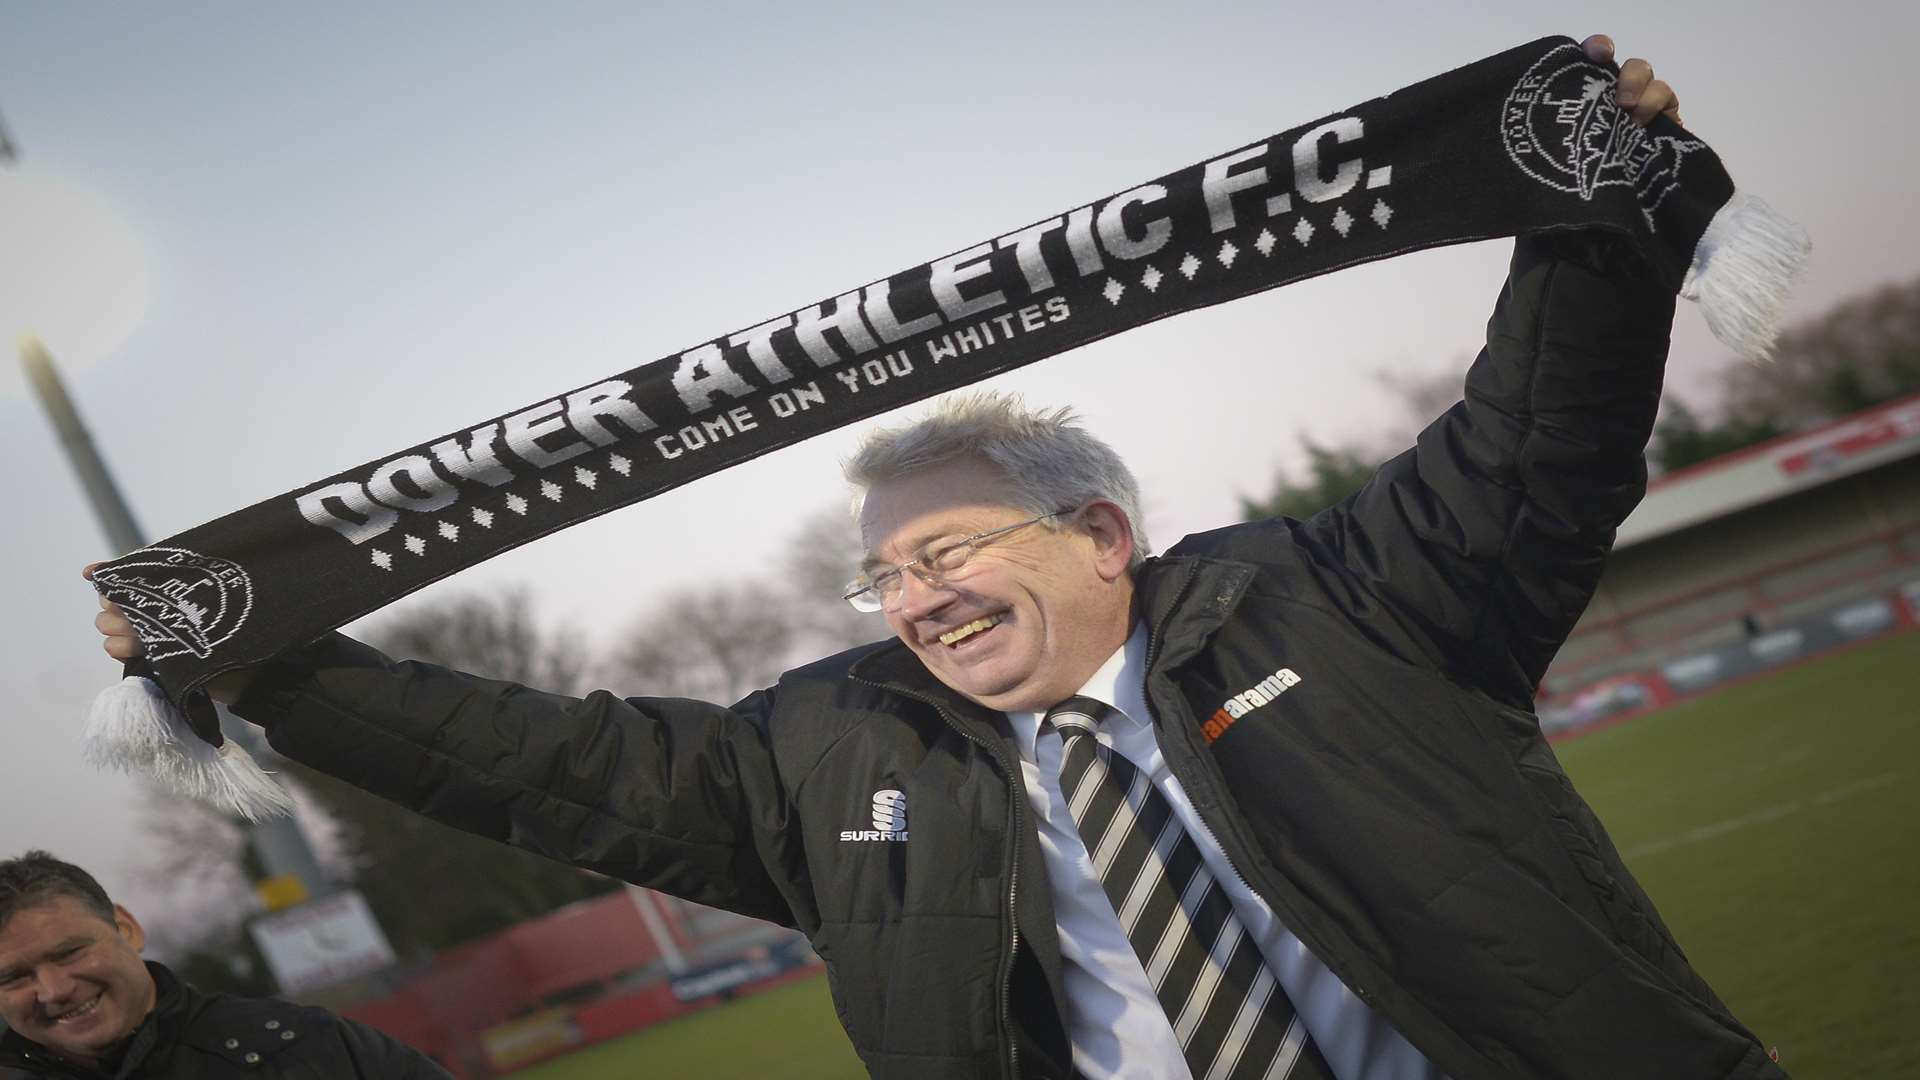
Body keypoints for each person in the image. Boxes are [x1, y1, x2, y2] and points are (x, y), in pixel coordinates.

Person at [90, 39, 1784, 1080]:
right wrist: (264, 663)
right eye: (884, 579)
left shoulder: (1347, 611)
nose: (914, 599)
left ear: (1102, 533)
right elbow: (541, 766)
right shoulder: (829, 756)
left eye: (949, 551)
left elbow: (1532, 445)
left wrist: (1595, 215)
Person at [0, 852, 448, 1079]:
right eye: (14, 977)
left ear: (127, 928)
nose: (54, 989)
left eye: (69, 952)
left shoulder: (299, 1048)